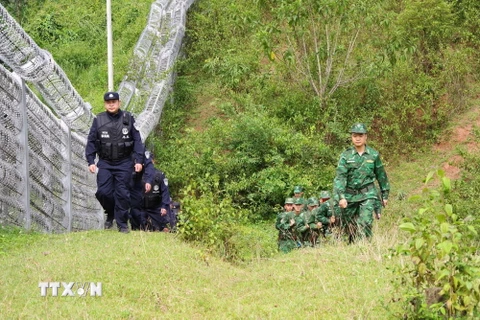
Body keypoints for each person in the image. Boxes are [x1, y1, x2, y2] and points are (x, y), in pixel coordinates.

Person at [85, 91, 145, 233]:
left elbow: (137, 141)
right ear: (105, 104)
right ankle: (110, 212)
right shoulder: (98, 120)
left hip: (124, 163)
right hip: (105, 163)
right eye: (108, 103)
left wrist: (139, 160)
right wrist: (91, 161)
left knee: (123, 194)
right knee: (103, 193)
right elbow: (91, 141)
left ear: (119, 103)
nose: (111, 105)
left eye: (114, 102)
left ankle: (122, 224)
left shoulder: (128, 119)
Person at [333, 123, 390, 243]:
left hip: (367, 194)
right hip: (350, 196)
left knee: (365, 221)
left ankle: (365, 246)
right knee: (348, 225)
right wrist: (341, 197)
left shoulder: (373, 155)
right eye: (355, 136)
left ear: (365, 137)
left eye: (360, 135)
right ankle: (353, 246)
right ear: (351, 138)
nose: (357, 138)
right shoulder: (346, 156)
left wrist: (384, 195)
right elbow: (340, 178)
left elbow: (381, 176)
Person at [129, 149, 155, 231]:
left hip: (136, 182)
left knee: (135, 208)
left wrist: (148, 181)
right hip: (122, 181)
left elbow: (149, 167)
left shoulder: (142, 150)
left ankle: (138, 228)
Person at [143, 156, 170, 232]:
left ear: (153, 161)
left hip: (155, 207)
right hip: (142, 207)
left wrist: (164, 206)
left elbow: (165, 192)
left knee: (163, 225)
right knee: (138, 225)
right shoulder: (139, 174)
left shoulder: (159, 175)